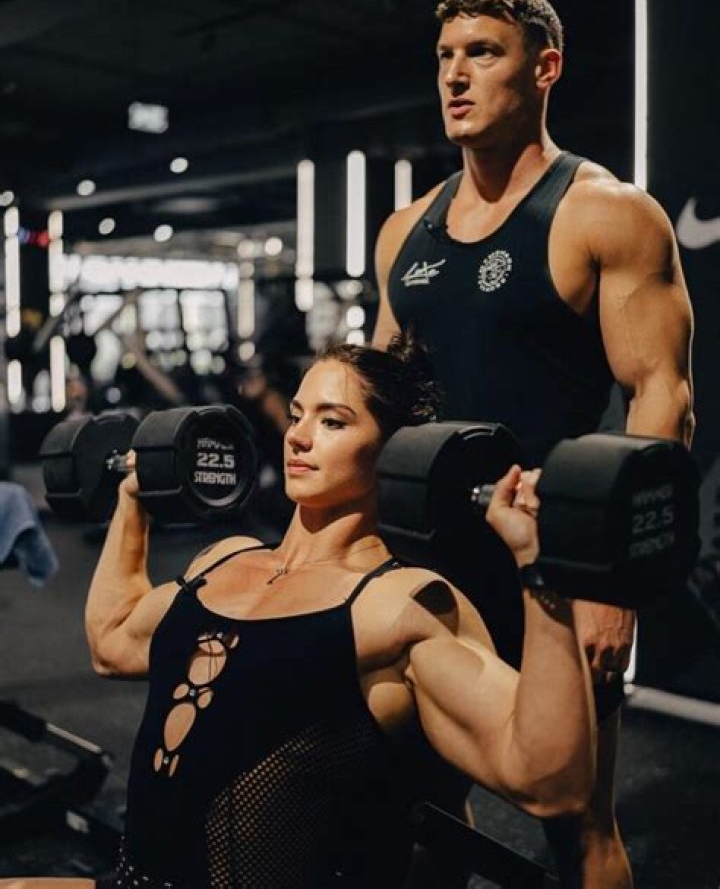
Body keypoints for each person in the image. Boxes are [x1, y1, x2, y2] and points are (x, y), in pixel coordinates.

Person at [1, 335, 597, 889]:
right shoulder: (226, 559)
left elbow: (548, 783)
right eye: (296, 416)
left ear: (393, 451)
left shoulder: (400, 606)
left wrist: (539, 568)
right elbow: (112, 641)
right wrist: (133, 499)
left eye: (332, 421)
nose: (298, 437)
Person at [371, 0, 695, 887]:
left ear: (544, 67)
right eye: (445, 56)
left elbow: (662, 399)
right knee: (419, 802)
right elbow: (380, 401)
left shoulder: (604, 213)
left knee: (576, 818)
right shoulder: (404, 232)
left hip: (548, 566)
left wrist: (612, 581)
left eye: (482, 52)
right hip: (424, 560)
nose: (456, 75)